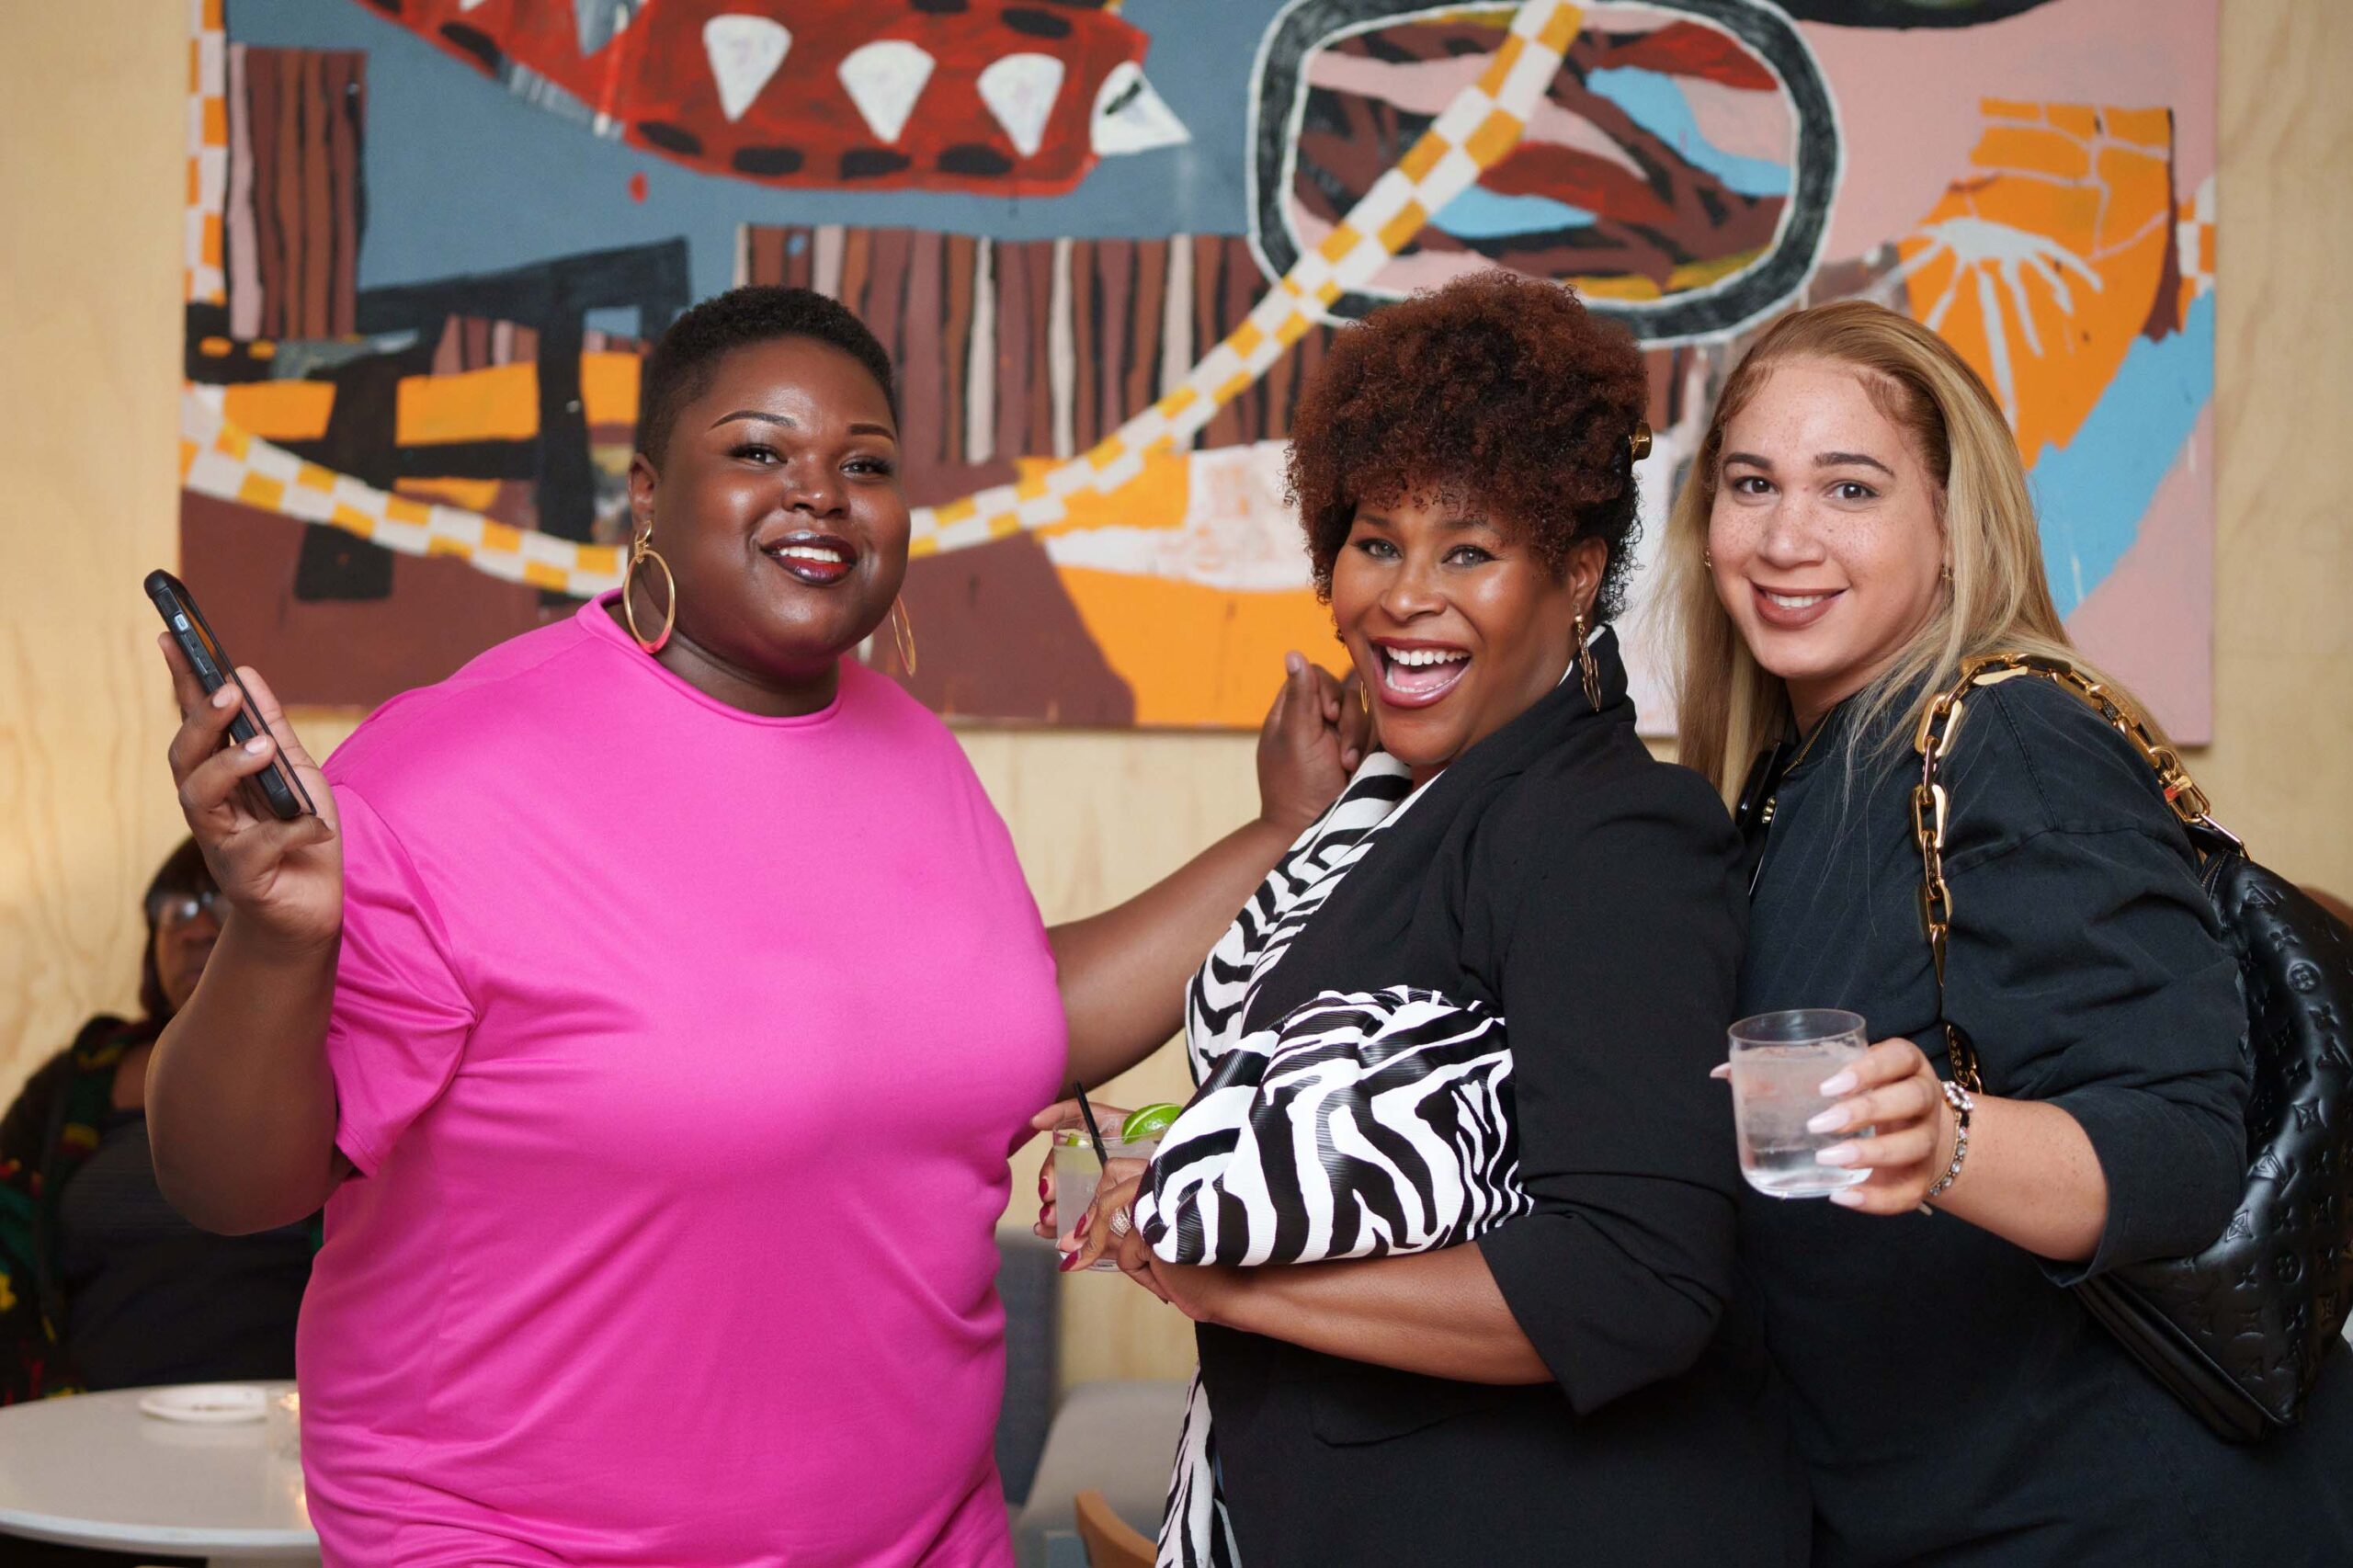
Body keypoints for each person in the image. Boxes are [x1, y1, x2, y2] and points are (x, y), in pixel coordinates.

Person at [148, 286, 1361, 1566]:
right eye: (758, 451)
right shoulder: (446, 773)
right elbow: (228, 1184)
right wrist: (275, 939)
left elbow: (1006, 1026)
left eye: (865, 464)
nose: (819, 492)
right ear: (647, 494)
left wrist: (1282, 833)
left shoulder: (917, 754)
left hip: (930, 1538)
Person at [1058, 271, 1808, 1565]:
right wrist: (1172, 1157)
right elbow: (1384, 1126)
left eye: (1469, 549)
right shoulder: (1389, 817)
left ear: (1576, 572)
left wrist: (1229, 1278)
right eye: (1376, 541)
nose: (1405, 595)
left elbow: (1633, 1284)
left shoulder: (1612, 838)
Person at [1662, 299, 2353, 1564]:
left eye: (1851, 488)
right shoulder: (1788, 783)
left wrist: (1946, 1139)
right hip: (1928, 1509)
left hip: (2117, 1517)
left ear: (1950, 525)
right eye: (1751, 483)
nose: (1785, 536)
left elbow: (2182, 1151)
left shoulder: (2011, 739)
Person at [0, 838, 311, 1406]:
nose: (193, 931)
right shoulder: (76, 1085)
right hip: (88, 1419)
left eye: (219, 901)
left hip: (294, 1419)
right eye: (174, 910)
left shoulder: (337, 1062)